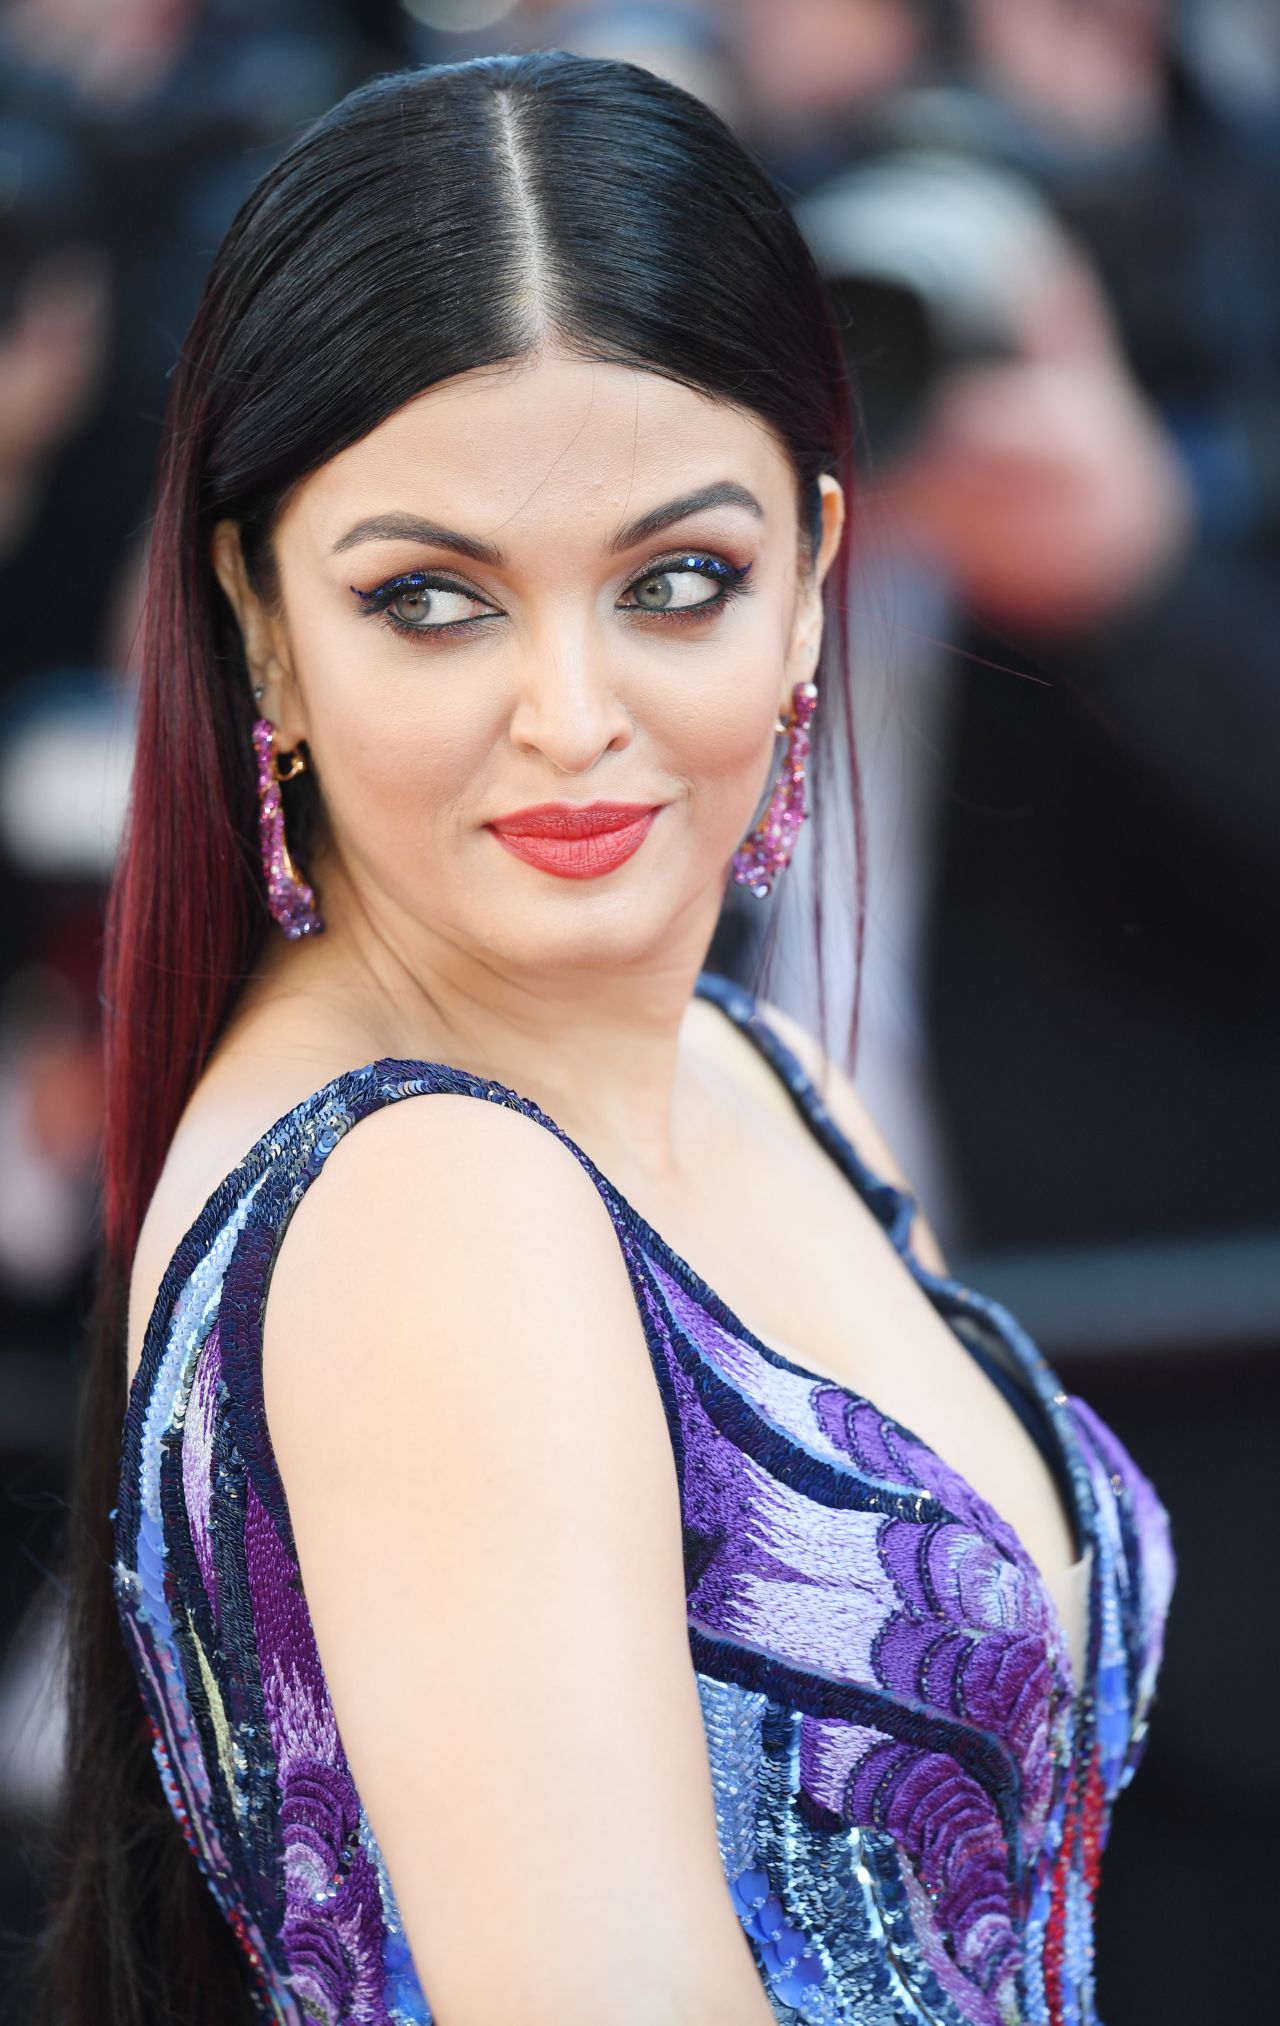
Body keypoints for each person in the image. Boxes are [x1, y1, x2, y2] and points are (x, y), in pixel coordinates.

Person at [29, 51, 1174, 2026]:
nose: (573, 710)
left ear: (813, 579)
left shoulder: (747, 1069)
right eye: (432, 599)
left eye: (675, 579)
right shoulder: (431, 1205)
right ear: (264, 620)